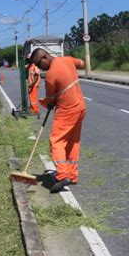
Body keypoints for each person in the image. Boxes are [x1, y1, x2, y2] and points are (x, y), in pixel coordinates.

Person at [30, 48, 86, 193]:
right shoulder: (67, 59)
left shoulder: (50, 75)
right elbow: (82, 63)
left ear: (44, 57)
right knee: (73, 141)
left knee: (56, 141)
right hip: (79, 107)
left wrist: (49, 102)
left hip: (66, 110)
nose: (38, 67)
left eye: (38, 64)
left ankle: (62, 175)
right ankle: (72, 175)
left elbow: (50, 99)